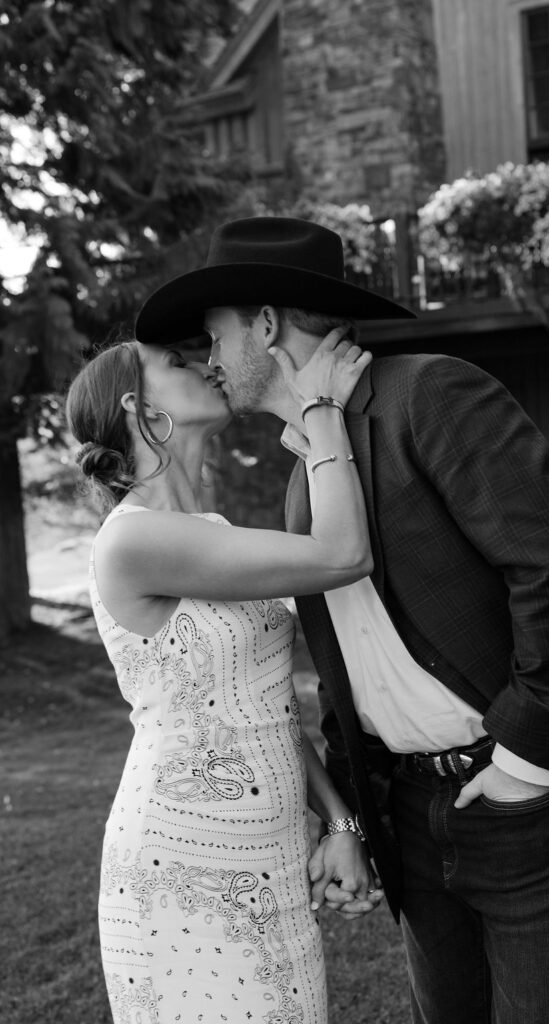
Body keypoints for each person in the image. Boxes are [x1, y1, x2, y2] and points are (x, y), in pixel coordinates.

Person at [134, 216, 549, 1024]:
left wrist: (522, 765)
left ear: (265, 324)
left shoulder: (432, 393)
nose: (208, 360)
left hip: (520, 800)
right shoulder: (304, 476)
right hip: (411, 824)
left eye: (214, 335)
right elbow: (340, 681)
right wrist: (355, 818)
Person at [65, 324, 388, 1024]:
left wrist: (339, 822)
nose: (206, 364)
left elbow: (254, 704)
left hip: (269, 852)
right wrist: (319, 408)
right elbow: (342, 553)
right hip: (180, 865)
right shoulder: (132, 537)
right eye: (176, 361)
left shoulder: (208, 527)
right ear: (136, 407)